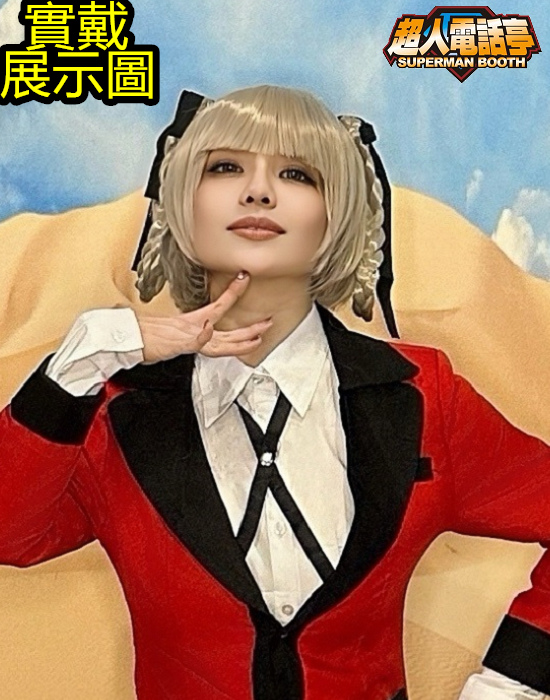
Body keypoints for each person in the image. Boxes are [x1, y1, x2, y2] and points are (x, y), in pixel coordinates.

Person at [2, 84, 550, 700]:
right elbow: (10, 533)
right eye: (225, 167)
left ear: (338, 211)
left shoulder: (424, 397)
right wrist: (81, 361)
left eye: (296, 173)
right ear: (179, 201)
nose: (258, 191)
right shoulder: (110, 408)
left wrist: (510, 683)